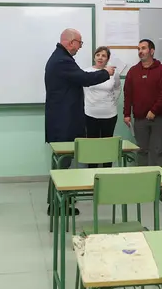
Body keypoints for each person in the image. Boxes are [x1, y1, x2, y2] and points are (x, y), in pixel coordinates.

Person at [45, 28, 115, 213]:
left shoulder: (61, 58)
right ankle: (58, 205)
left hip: (62, 121)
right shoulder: (62, 61)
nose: (80, 47)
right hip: (63, 123)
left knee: (63, 164)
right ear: (70, 42)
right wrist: (106, 72)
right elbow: (84, 78)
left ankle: (57, 202)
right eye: (80, 43)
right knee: (62, 164)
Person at [123, 39, 162, 168]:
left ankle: (161, 185)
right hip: (139, 119)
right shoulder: (133, 71)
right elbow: (128, 94)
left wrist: (154, 111)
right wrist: (126, 113)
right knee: (141, 151)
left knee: (159, 151)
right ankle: (143, 184)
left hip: (158, 118)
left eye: (143, 48)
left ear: (152, 51)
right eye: (139, 49)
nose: (140, 51)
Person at [84, 46, 121, 167]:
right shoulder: (86, 72)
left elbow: (117, 89)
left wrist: (112, 102)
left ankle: (106, 174)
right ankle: (91, 174)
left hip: (109, 115)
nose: (100, 57)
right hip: (90, 114)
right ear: (94, 57)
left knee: (107, 147)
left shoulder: (113, 73)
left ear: (107, 59)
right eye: (98, 54)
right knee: (92, 147)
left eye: (104, 55)